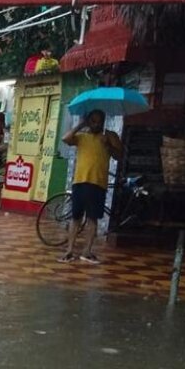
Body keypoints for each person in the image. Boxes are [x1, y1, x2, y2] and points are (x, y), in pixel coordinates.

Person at [59, 109, 121, 264]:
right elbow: (65, 138)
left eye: (99, 121)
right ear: (88, 121)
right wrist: (80, 125)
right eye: (93, 120)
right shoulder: (82, 136)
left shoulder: (109, 136)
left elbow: (119, 155)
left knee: (93, 218)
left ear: (104, 121)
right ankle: (69, 251)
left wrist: (109, 145)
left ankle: (87, 251)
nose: (96, 123)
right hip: (80, 181)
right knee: (75, 218)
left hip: (98, 183)